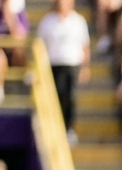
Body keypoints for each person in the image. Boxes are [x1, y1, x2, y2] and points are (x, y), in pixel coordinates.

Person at [36, 0, 89, 142]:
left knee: (70, 97)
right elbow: (40, 46)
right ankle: (55, 128)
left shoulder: (78, 21)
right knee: (56, 97)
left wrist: (85, 67)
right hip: (54, 65)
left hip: (72, 64)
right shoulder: (47, 22)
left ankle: (68, 128)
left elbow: (85, 46)